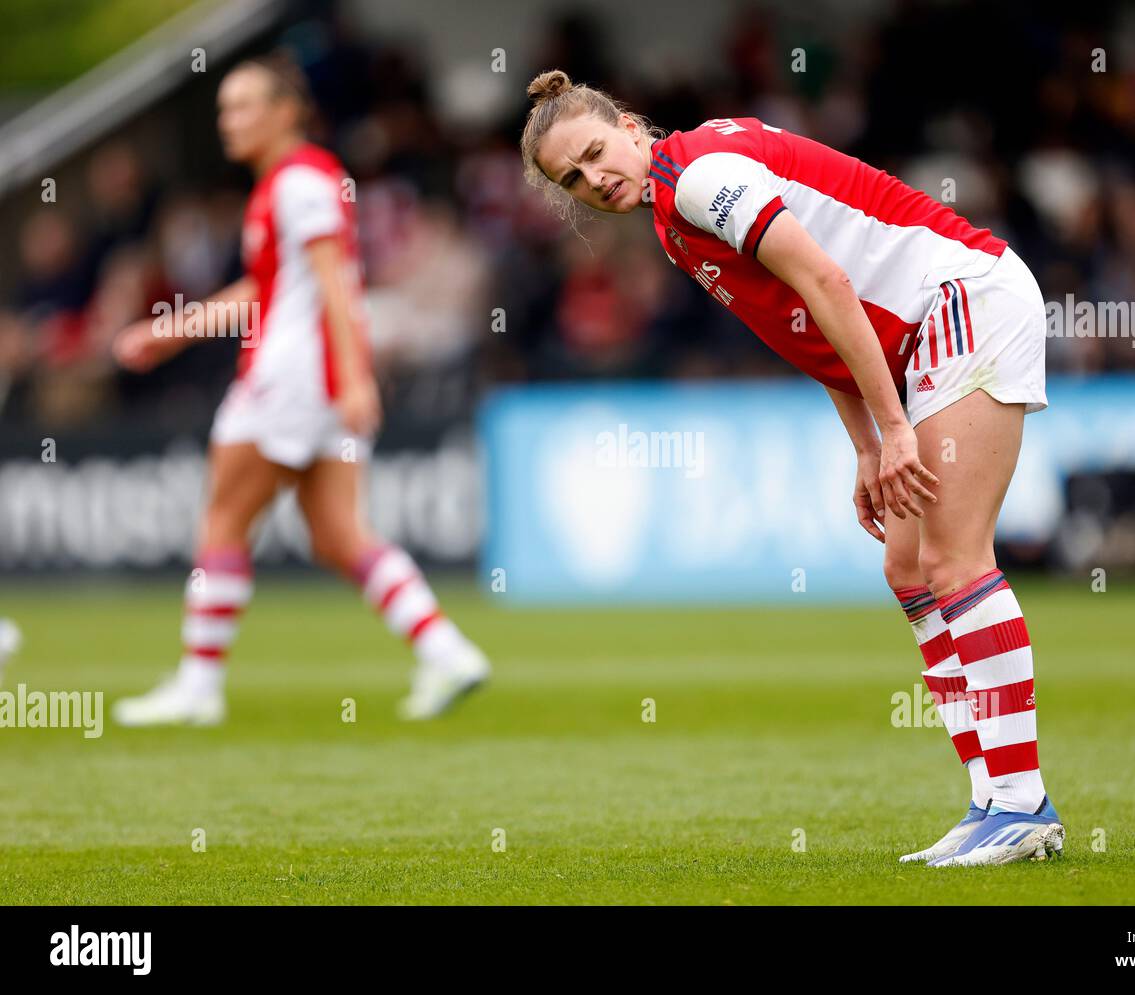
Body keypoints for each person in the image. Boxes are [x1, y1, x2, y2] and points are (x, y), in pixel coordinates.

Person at [520, 70, 1061, 867]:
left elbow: (828, 281)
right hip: (920, 332)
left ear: (631, 126)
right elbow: (807, 327)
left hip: (962, 299)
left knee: (951, 556)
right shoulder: (674, 216)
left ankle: (1020, 803)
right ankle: (990, 798)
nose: (596, 180)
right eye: (574, 179)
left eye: (596, 153)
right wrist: (870, 445)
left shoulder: (698, 177)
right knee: (908, 566)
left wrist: (893, 425)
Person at [111, 54, 488, 726]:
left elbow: (337, 282)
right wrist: (174, 331)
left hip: (290, 378)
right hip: (313, 379)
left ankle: (198, 684)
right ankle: (447, 649)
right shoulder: (291, 184)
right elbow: (270, 287)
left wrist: (353, 377)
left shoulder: (300, 181)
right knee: (338, 533)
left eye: (245, 105)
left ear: (287, 110)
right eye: (225, 108)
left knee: (223, 518)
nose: (230, 121)